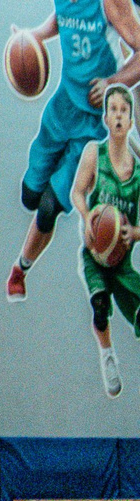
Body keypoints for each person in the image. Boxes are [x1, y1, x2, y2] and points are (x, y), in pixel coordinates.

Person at [0, 0, 140, 300]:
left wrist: (114, 83)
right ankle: (32, 224)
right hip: (61, 108)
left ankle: (19, 271)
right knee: (29, 195)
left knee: (48, 206)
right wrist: (34, 36)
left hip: (89, 128)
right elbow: (63, 17)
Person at [73, 83, 140, 396]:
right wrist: (88, 217)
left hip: (122, 262)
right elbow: (77, 192)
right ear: (105, 118)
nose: (117, 116)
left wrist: (135, 232)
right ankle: (107, 355)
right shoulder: (93, 154)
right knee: (99, 307)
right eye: (112, 109)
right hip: (96, 256)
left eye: (123, 111)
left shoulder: (137, 172)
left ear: (130, 121)